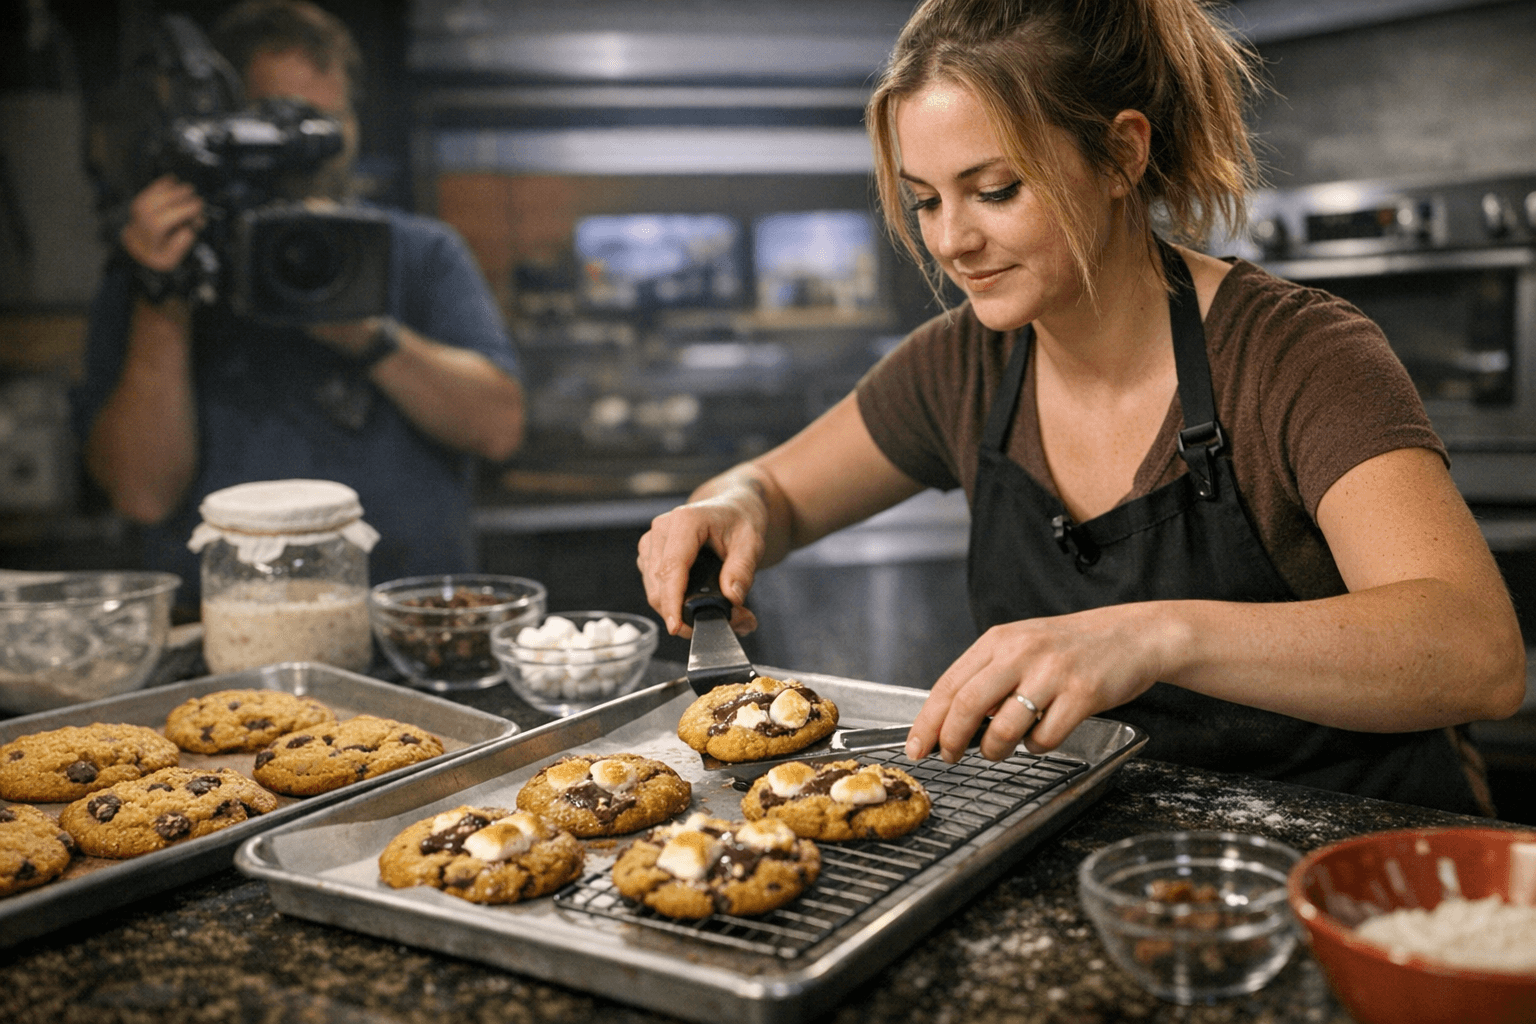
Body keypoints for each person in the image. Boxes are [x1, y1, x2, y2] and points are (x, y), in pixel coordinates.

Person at [636, 0, 1526, 816]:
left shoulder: (1296, 354)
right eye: (926, 201)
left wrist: (1155, 635)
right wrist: (731, 506)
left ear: (1121, 155)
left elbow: (1475, 652)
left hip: (1350, 864)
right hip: (1096, 854)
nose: (952, 240)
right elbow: (774, 493)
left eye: (996, 190)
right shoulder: (963, 366)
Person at [72, 0, 524, 607]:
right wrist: (165, 300)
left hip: (410, 626)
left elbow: (498, 428)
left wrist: (367, 333)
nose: (307, 151)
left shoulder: (417, 253)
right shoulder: (160, 265)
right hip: (221, 630)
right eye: (279, 123)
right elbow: (140, 493)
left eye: (326, 124)